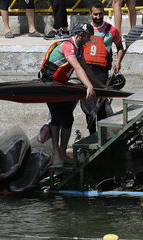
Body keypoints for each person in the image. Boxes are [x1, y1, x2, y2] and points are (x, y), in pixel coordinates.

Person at [39, 22, 103, 167]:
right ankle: (56, 155)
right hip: (50, 85)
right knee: (56, 118)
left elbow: (86, 68)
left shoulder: (79, 48)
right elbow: (78, 68)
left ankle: (62, 153)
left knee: (68, 118)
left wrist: (100, 85)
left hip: (61, 85)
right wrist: (89, 86)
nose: (89, 40)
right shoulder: (68, 46)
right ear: (81, 34)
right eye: (88, 36)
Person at [81, 1, 124, 134]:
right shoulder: (84, 30)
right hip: (85, 71)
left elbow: (120, 48)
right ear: (90, 14)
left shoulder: (112, 31)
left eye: (100, 14)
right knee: (88, 106)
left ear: (104, 13)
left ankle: (102, 137)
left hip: (101, 72)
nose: (98, 17)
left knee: (100, 107)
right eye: (95, 14)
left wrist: (118, 61)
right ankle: (91, 136)